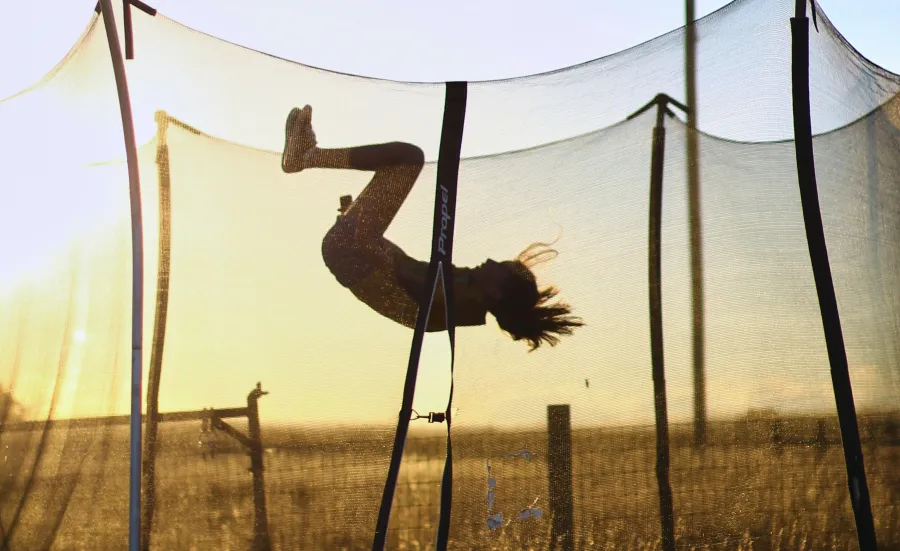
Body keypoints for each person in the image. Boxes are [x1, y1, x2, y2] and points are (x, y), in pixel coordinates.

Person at [281, 105, 582, 351]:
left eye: (499, 267)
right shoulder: (464, 299)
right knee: (402, 163)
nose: (490, 261)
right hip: (353, 255)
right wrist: (357, 219)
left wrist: (363, 238)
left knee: (408, 158)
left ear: (495, 290)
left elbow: (396, 275)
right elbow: (398, 285)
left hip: (353, 253)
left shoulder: (457, 295)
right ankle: (307, 156)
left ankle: (307, 156)